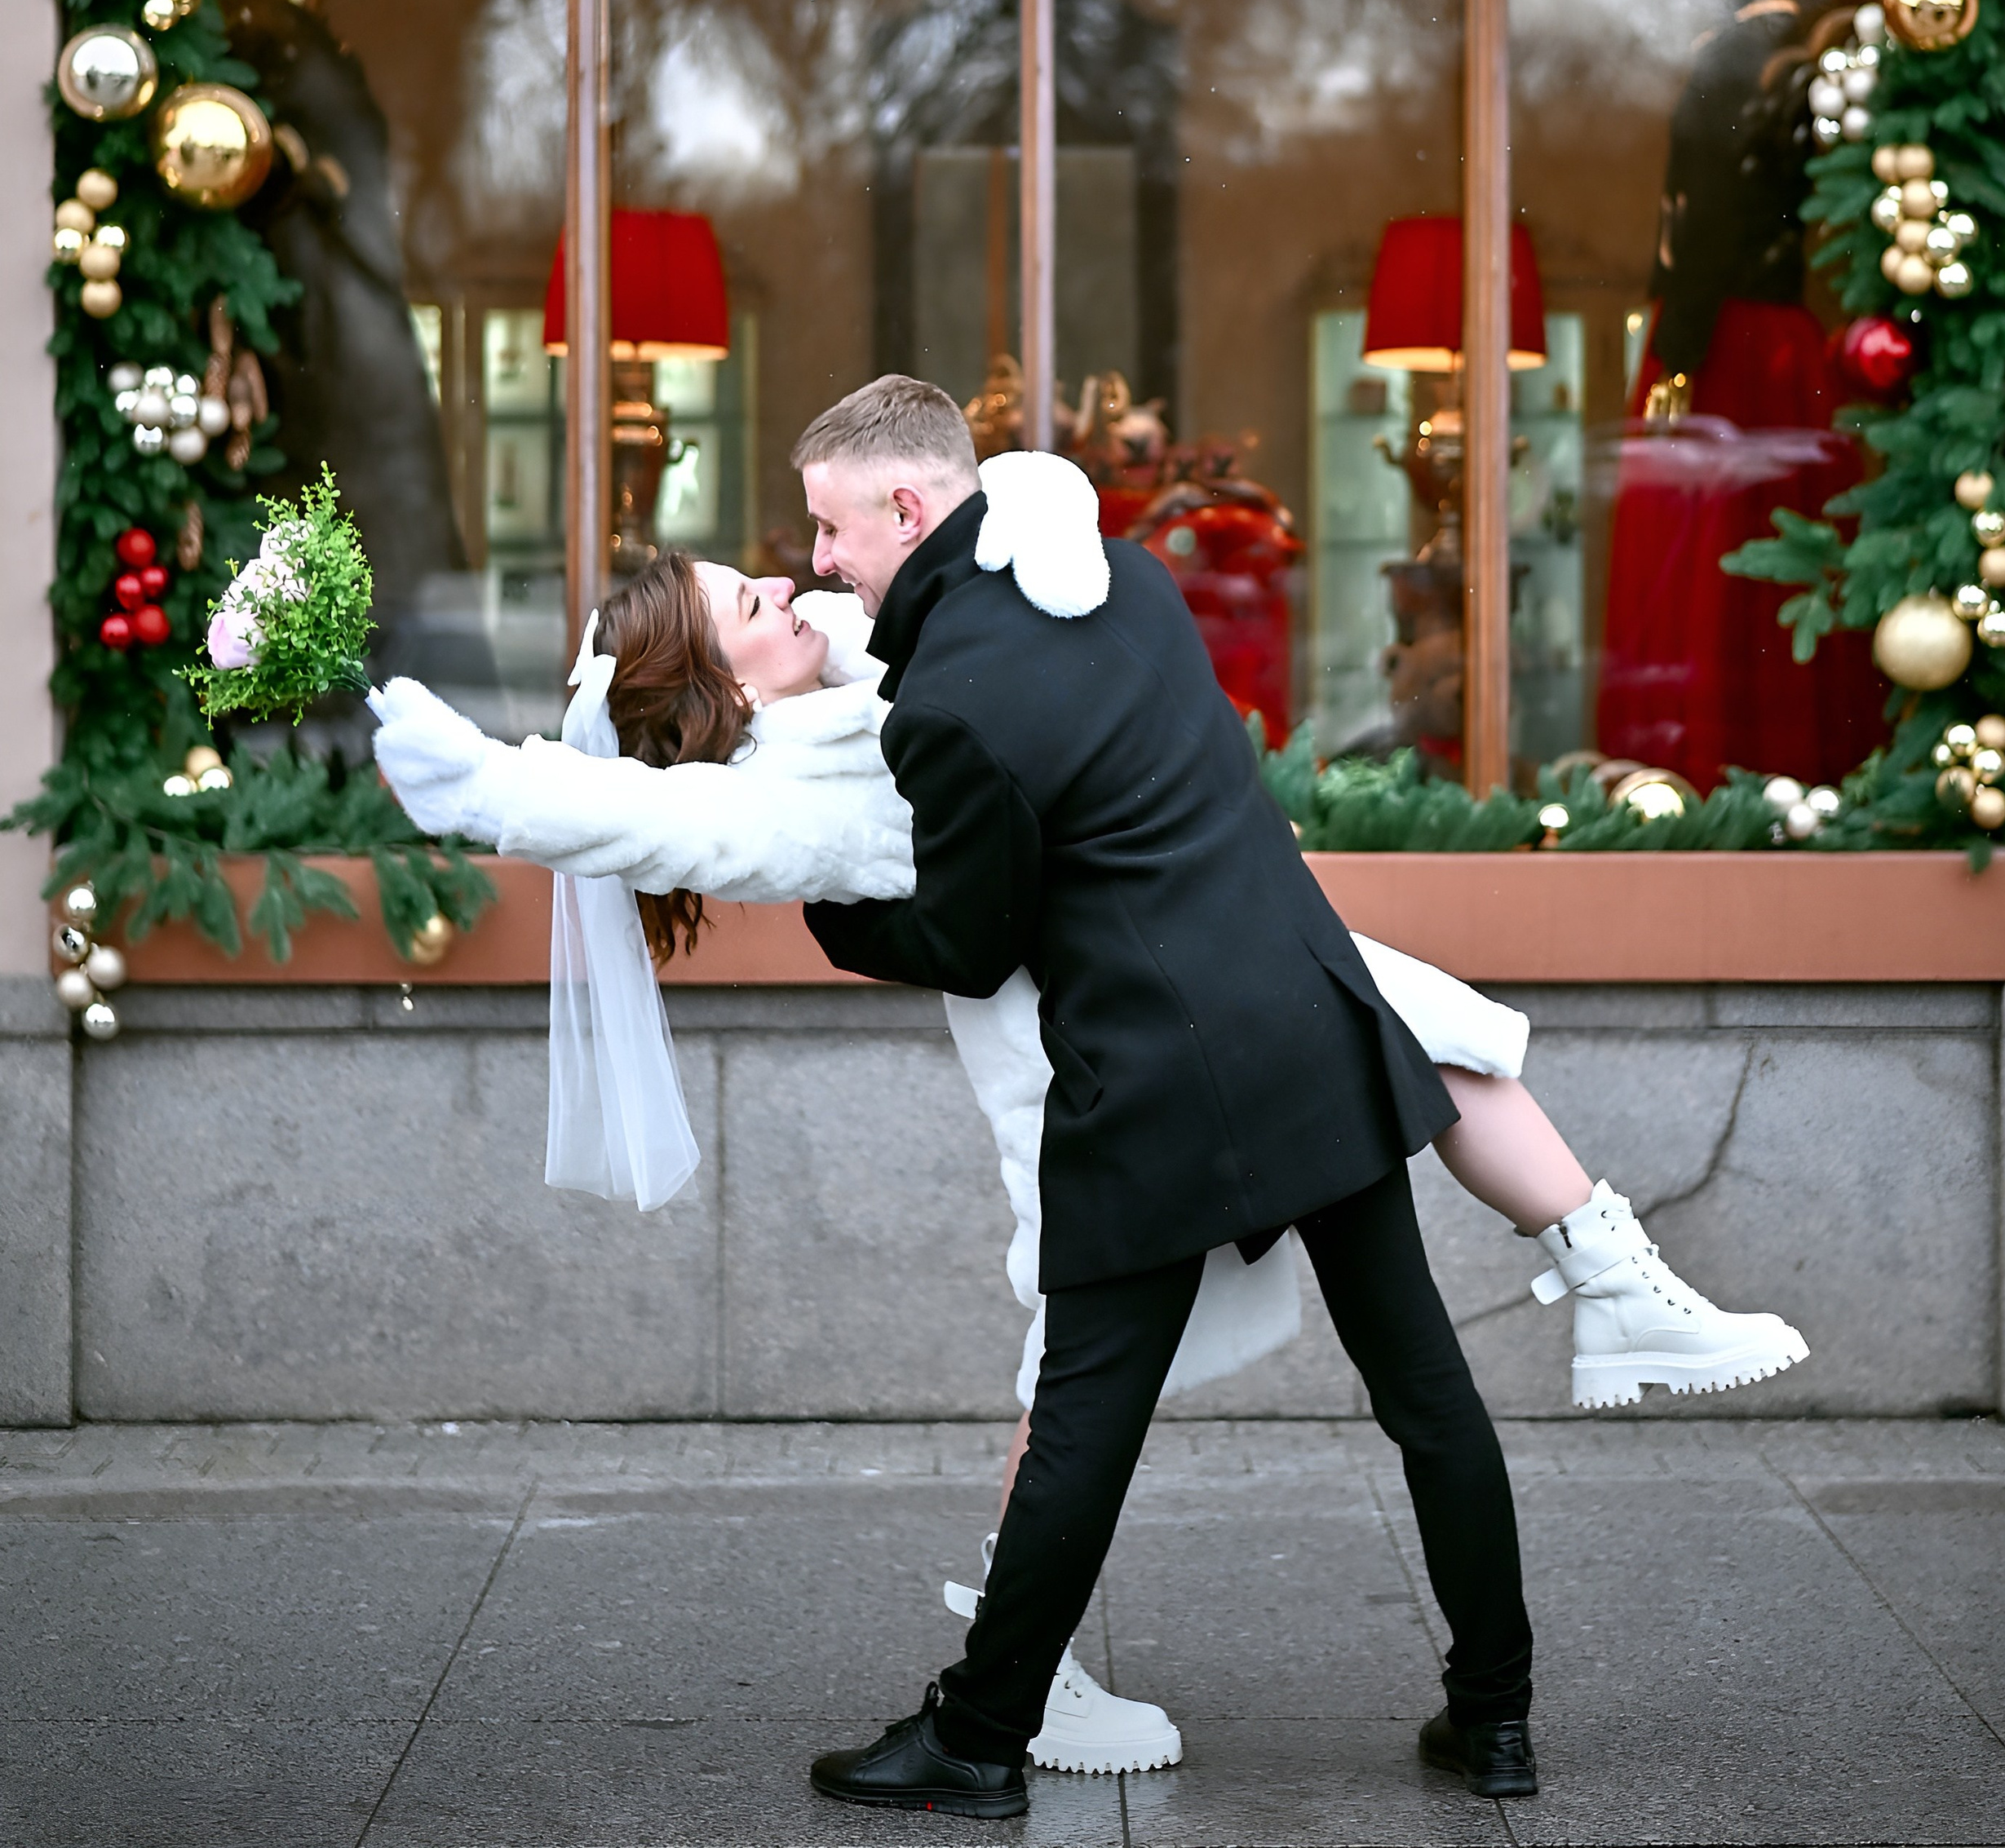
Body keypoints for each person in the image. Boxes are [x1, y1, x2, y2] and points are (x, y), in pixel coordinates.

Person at [373, 411, 1806, 1810]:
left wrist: (520, 797)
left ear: (912, 518)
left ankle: (987, 1732)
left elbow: (973, 922)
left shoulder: (926, 690)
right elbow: (668, 818)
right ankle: (1496, 1718)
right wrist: (508, 782)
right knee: (1419, 1387)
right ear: (722, 690)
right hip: (1306, 1018)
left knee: (1081, 1425)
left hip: (1152, 1087)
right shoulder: (1104, 584)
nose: (802, 564)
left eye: (820, 535)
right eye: (764, 581)